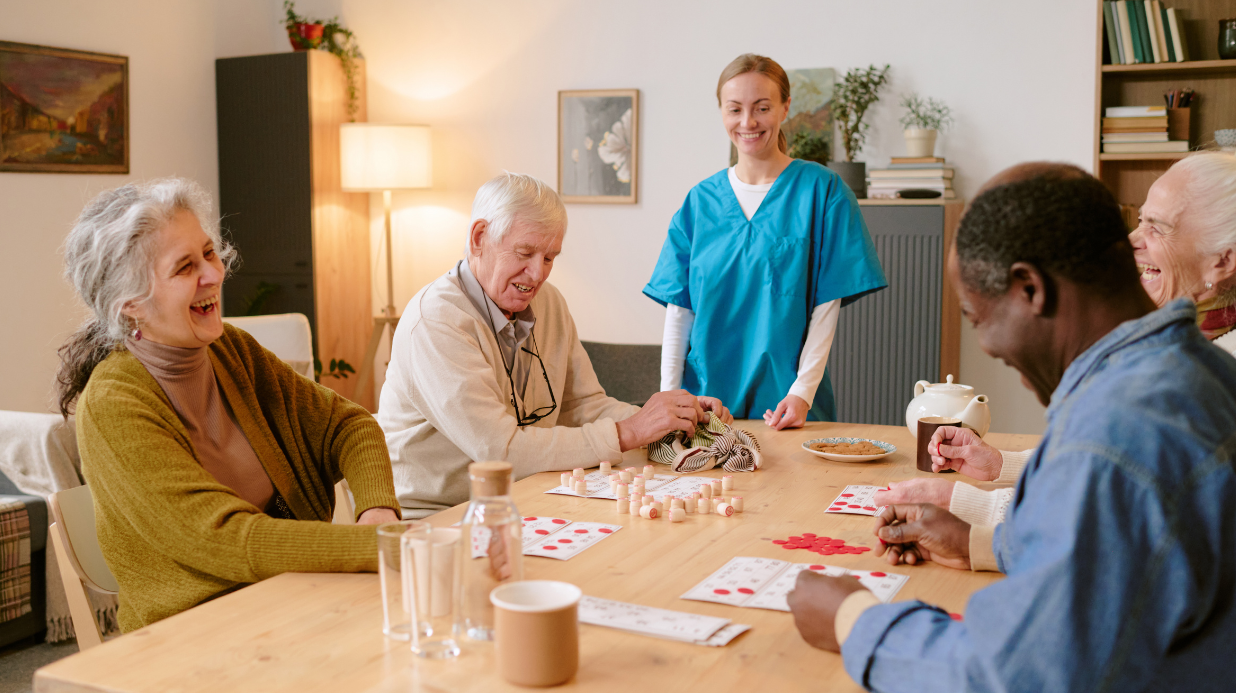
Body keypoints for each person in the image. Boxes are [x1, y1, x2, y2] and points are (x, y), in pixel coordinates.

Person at [786, 171, 1236, 691]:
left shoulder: (1115, 435)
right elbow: (1130, 558)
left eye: (976, 317)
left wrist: (853, 620)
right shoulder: (1201, 374)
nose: (987, 345)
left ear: (1031, 288)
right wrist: (985, 544)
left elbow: (1013, 677)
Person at [60, 179, 401, 632]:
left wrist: (378, 513)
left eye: (208, 252)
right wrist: (378, 547)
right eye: (184, 267)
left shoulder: (231, 350)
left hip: (297, 602)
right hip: (195, 635)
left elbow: (348, 426)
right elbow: (222, 538)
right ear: (132, 306)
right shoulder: (113, 404)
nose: (214, 274)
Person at [878, 153, 1236, 529]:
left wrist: (963, 507)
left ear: (1223, 260)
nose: (1132, 240)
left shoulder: (1149, 399)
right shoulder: (1189, 355)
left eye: (1157, 227)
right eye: (1139, 220)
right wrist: (1002, 472)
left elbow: (1095, 501)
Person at [378, 173, 730, 518]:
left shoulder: (550, 304)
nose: (537, 274)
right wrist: (631, 431)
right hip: (435, 517)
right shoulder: (435, 321)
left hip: (527, 496)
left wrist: (671, 418)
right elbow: (502, 451)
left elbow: (583, 406)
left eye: (549, 258)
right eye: (525, 253)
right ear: (479, 237)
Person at [643, 54, 886, 430]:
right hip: (704, 405)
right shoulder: (700, 202)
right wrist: (670, 399)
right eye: (735, 109)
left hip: (785, 404)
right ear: (722, 113)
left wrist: (803, 392)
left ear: (785, 107)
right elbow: (679, 311)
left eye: (762, 108)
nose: (748, 122)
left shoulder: (823, 192)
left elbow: (827, 306)